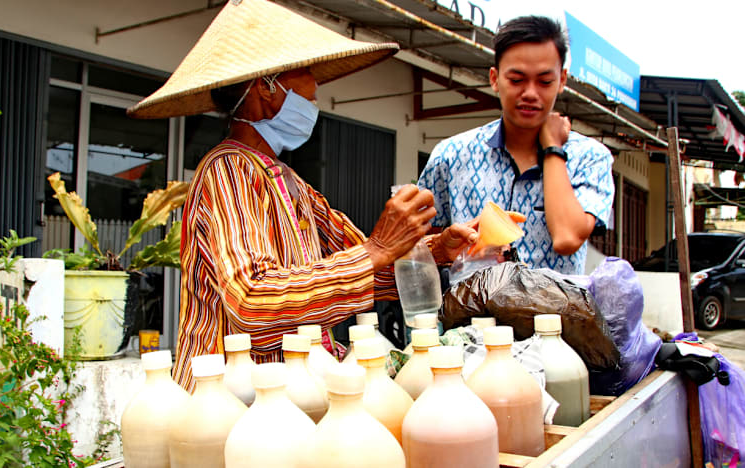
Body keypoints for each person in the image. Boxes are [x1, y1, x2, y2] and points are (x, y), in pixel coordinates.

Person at [128, 0, 478, 391]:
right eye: (307, 72)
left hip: (291, 394)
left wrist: (435, 251)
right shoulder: (226, 171)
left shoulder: (290, 182)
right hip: (231, 403)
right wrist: (377, 248)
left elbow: (364, 271)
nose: (316, 92)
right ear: (267, 86)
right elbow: (251, 300)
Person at [417, 15, 615, 275]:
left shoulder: (590, 158)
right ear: (494, 79)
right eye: (517, 79)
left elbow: (567, 238)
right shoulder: (451, 156)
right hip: (470, 314)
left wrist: (554, 149)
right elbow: (416, 249)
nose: (531, 93)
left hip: (554, 316)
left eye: (544, 81)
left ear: (562, 80)